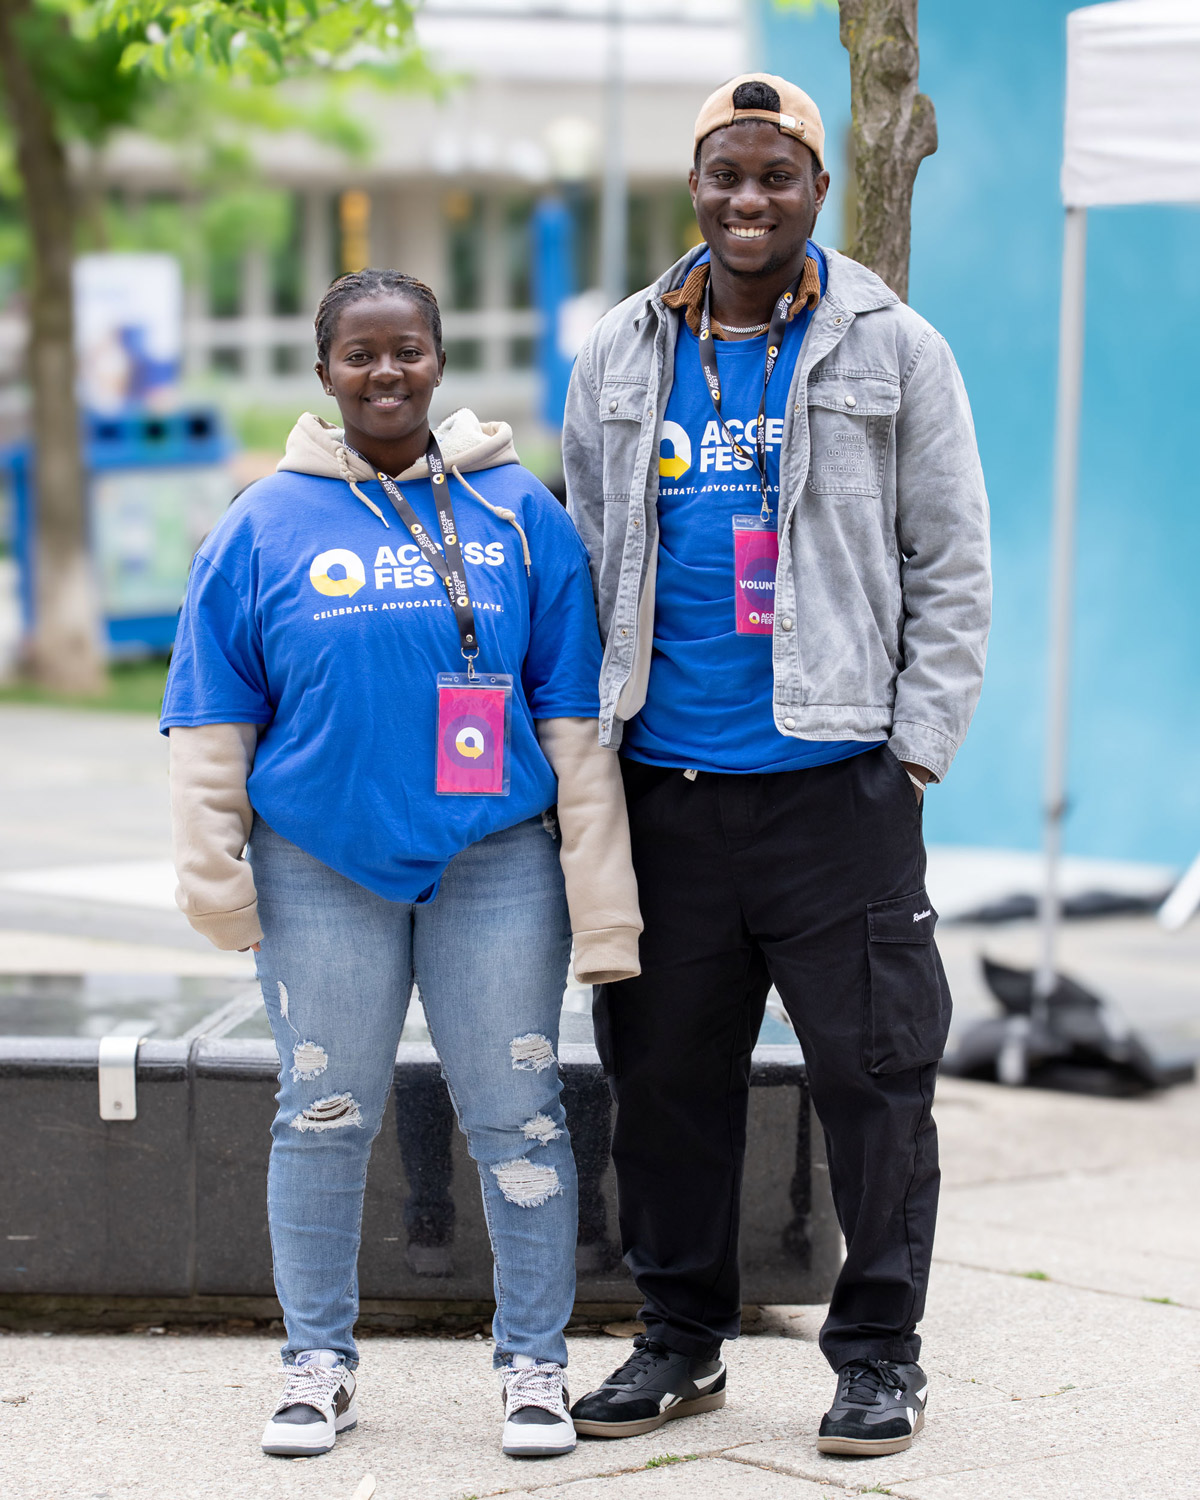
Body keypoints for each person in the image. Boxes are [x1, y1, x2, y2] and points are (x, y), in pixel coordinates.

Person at [562, 74, 990, 1456]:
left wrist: (910, 754)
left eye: (777, 178)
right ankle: (681, 1343)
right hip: (666, 792)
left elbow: (954, 561)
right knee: (665, 1087)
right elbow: (581, 567)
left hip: (832, 789)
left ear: (815, 189)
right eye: (725, 176)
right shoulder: (621, 353)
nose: (750, 201)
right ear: (696, 185)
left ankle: (877, 1358)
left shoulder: (893, 345)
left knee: (875, 1082)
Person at [161, 269, 641, 1461]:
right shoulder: (260, 525)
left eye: (409, 351)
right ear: (324, 372)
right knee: (321, 1116)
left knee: (520, 1115)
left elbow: (571, 717)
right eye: (362, 354)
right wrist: (213, 873)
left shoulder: (520, 510)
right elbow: (213, 718)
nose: (388, 373)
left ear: (439, 360)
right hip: (320, 866)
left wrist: (605, 898)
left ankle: (534, 1367)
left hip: (497, 862)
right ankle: (316, 1365)